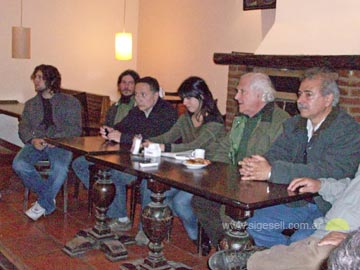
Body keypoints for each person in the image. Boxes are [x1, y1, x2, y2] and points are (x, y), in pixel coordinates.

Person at [241, 67, 360, 248]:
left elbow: (331, 170)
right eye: (299, 94)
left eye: (308, 95)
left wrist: (272, 172)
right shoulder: (296, 124)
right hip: (295, 200)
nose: (300, 101)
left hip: (326, 203)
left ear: (328, 99)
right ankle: (280, 261)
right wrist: (257, 164)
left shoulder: (347, 130)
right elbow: (277, 153)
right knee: (255, 225)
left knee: (301, 242)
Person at [191, 72, 289, 251]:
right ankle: (226, 246)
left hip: (261, 186)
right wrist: (211, 168)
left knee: (228, 208)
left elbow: (273, 161)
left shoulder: (281, 122)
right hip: (235, 178)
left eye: (242, 92)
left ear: (260, 94)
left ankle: (236, 249)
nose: (236, 97)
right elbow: (224, 147)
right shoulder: (241, 118)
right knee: (201, 199)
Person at [72, 76, 178, 231]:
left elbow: (152, 139)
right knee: (80, 163)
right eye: (136, 94)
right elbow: (121, 126)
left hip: (159, 164)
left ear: (156, 96)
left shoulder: (167, 113)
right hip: (132, 158)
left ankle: (125, 220)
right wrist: (110, 130)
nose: (138, 98)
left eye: (143, 94)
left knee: (116, 174)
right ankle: (113, 209)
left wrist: (123, 137)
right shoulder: (137, 111)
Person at [139, 76, 226, 244]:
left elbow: (194, 146)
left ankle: (199, 237)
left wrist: (165, 148)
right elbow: (169, 136)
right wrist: (148, 141)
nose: (184, 102)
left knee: (180, 202)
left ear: (201, 96)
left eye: (188, 98)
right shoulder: (186, 118)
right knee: (155, 191)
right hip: (189, 170)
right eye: (183, 98)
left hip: (211, 173)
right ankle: (154, 232)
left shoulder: (215, 122)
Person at [247, 165, 360, 270]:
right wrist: (321, 185)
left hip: (344, 243)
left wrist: (352, 239)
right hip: (325, 229)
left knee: (261, 263)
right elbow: (351, 187)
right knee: (264, 251)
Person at [12, 64, 82, 221]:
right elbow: (23, 127)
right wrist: (32, 139)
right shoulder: (31, 104)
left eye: (40, 77)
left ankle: (42, 203)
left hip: (60, 144)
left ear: (51, 80)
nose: (36, 81)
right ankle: (48, 198)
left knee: (60, 168)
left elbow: (75, 129)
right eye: (35, 77)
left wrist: (56, 140)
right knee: (19, 164)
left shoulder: (70, 102)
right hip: (36, 143)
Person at [71, 69, 139, 189]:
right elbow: (106, 126)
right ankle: (100, 194)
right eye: (123, 82)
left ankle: (106, 195)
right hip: (110, 150)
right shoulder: (114, 107)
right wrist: (105, 131)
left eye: (130, 83)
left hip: (128, 154)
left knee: (112, 173)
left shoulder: (138, 107)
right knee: (78, 163)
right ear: (119, 85)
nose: (126, 86)